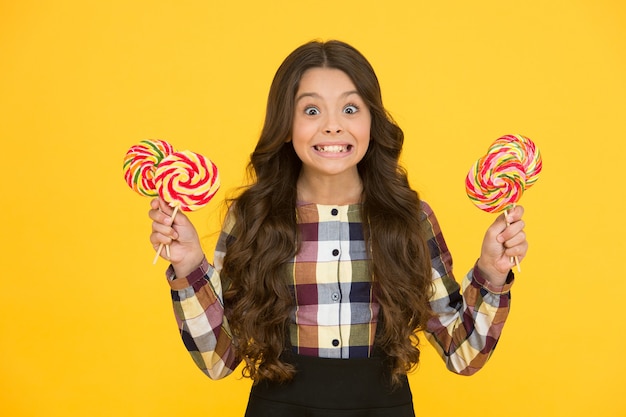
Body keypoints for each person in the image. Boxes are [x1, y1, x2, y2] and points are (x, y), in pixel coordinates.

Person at [148, 40, 527, 417]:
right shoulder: (254, 218)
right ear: (285, 126)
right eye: (311, 110)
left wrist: (492, 274)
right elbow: (219, 359)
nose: (332, 126)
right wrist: (189, 265)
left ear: (372, 122)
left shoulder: (410, 219)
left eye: (350, 108)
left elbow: (463, 355)